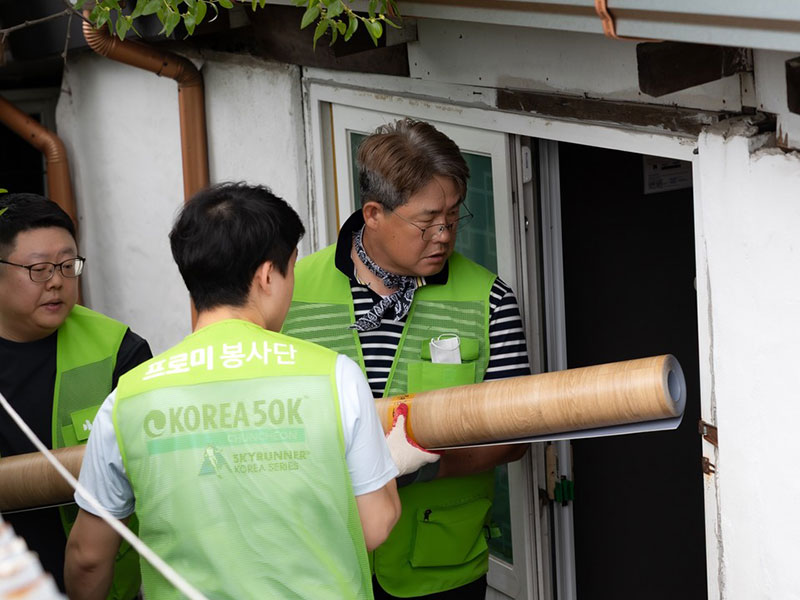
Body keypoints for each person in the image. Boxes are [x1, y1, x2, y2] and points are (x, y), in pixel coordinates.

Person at [64, 182, 402, 600]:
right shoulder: (334, 376)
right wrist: (391, 462)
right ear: (267, 276)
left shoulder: (128, 398)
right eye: (291, 269)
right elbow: (375, 524)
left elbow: (88, 557)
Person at [282, 118, 532, 598]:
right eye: (427, 220)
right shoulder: (292, 293)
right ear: (374, 213)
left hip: (439, 565)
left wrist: (416, 466)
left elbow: (514, 436)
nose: (444, 234)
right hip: (320, 564)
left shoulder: (490, 299)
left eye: (454, 217)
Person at [0, 193, 151, 598]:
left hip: (100, 585)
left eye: (68, 266)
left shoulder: (119, 350)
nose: (56, 281)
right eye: (39, 269)